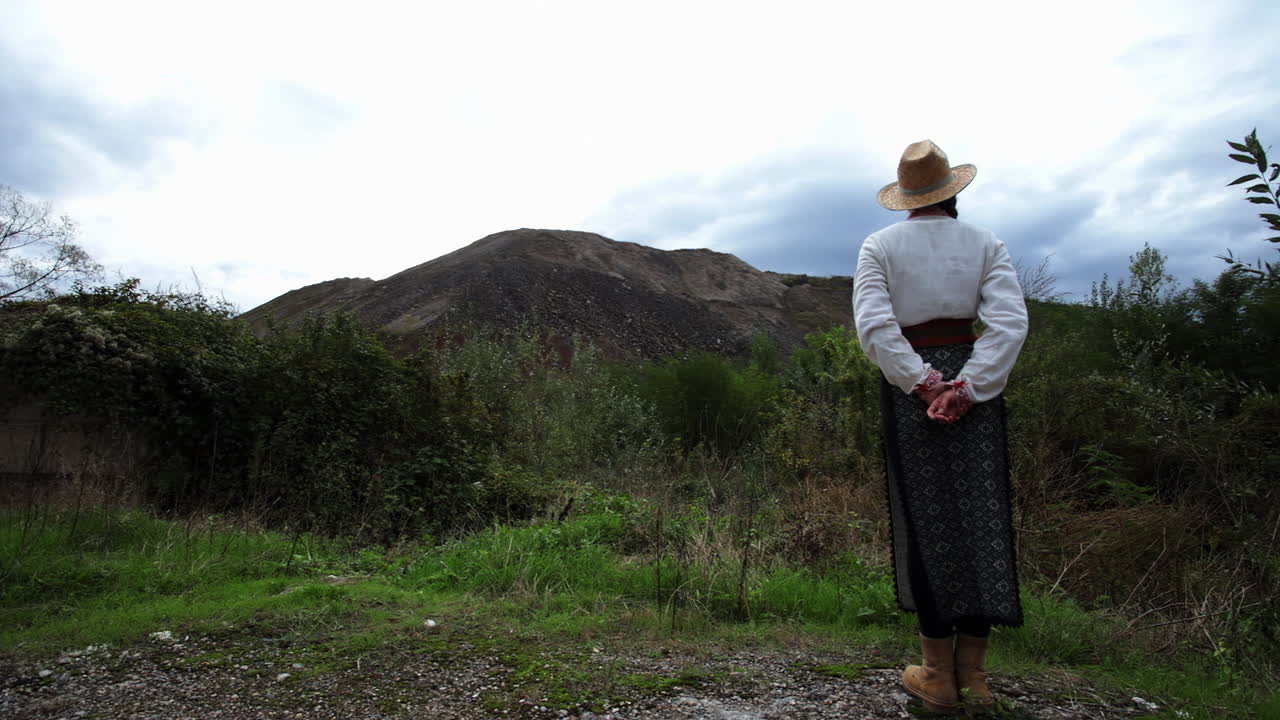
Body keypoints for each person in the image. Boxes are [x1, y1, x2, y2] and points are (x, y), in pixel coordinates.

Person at [852, 140, 1028, 713]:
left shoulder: (879, 245)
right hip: (977, 389)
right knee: (979, 518)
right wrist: (969, 387)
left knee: (925, 521)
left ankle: (938, 678)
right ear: (953, 191)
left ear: (905, 198)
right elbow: (1008, 322)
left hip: (912, 391)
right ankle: (974, 678)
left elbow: (876, 328)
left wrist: (929, 387)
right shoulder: (986, 243)